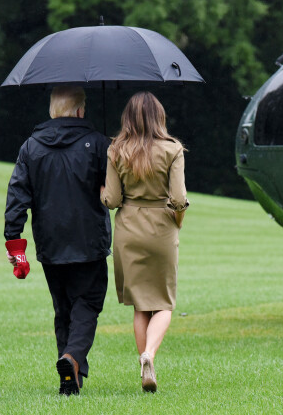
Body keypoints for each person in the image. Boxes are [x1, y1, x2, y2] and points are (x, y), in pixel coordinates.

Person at [4, 86, 112, 395]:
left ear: (53, 111)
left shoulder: (31, 147)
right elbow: (114, 190)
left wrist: (14, 240)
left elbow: (16, 196)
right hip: (89, 240)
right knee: (88, 303)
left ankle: (70, 380)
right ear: (80, 111)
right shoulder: (97, 144)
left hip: (50, 243)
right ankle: (71, 357)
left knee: (63, 308)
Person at [100, 92, 188, 392]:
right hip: (161, 229)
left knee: (140, 304)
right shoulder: (173, 149)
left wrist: (102, 189)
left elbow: (111, 200)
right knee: (163, 302)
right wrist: (178, 217)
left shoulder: (116, 149)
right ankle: (150, 354)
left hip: (128, 229)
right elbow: (178, 199)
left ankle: (143, 363)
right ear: (159, 117)